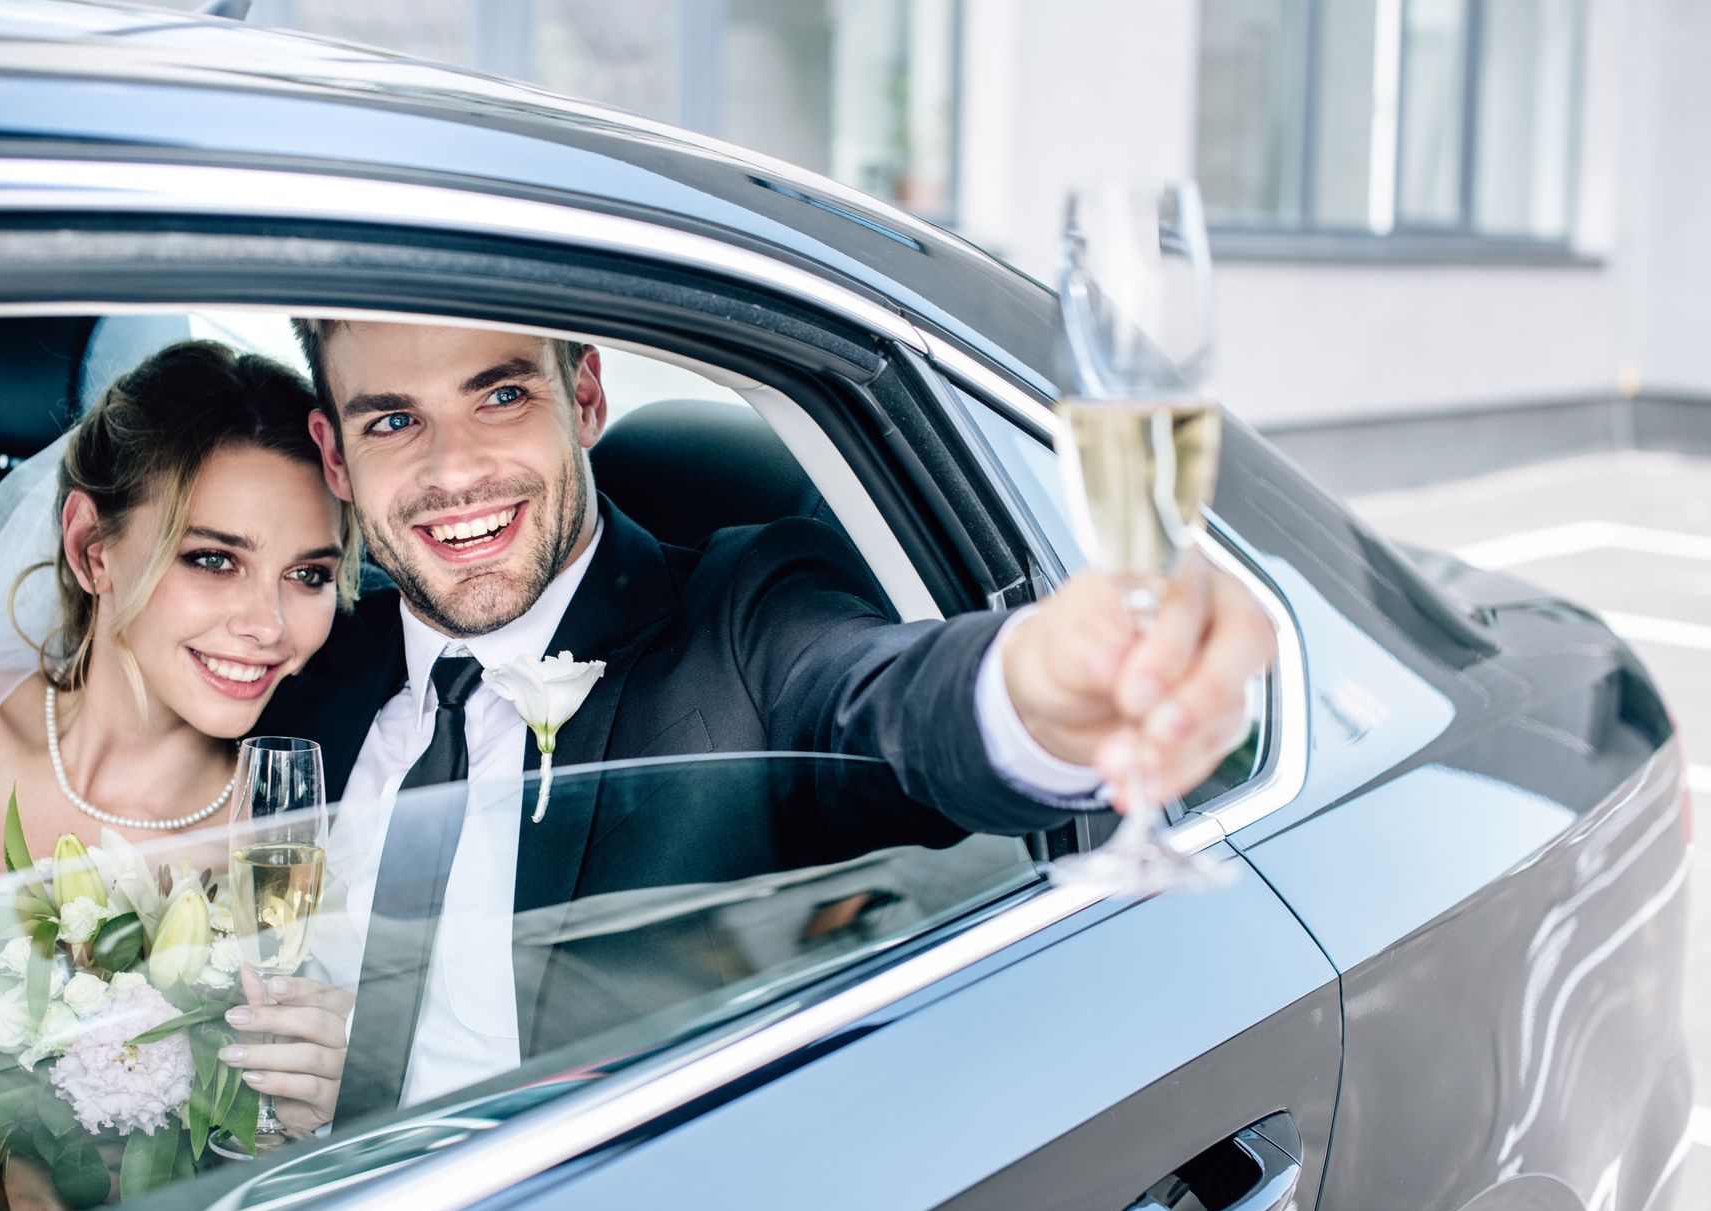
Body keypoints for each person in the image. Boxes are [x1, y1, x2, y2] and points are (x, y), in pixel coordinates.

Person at [231, 320, 1275, 1128]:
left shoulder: (742, 617)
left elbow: (874, 695)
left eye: (501, 395)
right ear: (335, 456)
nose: (453, 472)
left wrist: (1038, 688)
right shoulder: (312, 664)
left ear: (583, 394)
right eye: (393, 420)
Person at [0, 339, 357, 884]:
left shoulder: (282, 855)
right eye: (213, 560)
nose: (269, 626)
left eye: (309, 576)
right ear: (91, 548)